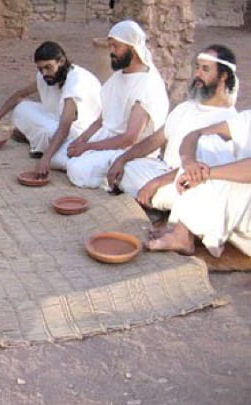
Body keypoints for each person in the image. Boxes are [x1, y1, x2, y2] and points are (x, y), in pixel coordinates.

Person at [108, 45, 239, 207]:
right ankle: (151, 199)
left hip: (190, 180)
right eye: (196, 68)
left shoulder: (227, 120)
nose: (197, 74)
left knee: (193, 194)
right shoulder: (185, 108)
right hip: (162, 170)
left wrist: (156, 183)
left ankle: (156, 202)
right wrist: (122, 159)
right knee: (123, 165)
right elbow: (154, 141)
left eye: (205, 69)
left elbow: (205, 168)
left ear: (223, 76)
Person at [65, 20, 169, 190]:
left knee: (77, 168)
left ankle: (114, 179)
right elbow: (101, 120)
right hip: (106, 140)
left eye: (116, 46)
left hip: (129, 151)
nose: (111, 52)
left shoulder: (147, 85)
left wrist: (88, 147)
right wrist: (80, 140)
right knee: (65, 153)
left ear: (132, 48)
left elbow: (130, 138)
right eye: (110, 46)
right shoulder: (119, 77)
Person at [0, 41, 102, 177]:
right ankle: (40, 142)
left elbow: (65, 125)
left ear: (61, 61)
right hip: (56, 120)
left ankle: (41, 146)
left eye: (48, 67)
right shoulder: (47, 76)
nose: (44, 73)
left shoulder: (76, 81)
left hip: (81, 132)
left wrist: (45, 158)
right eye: (40, 69)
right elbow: (20, 95)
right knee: (22, 108)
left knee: (53, 146)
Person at [146, 111, 251, 257]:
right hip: (236, 208)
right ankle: (184, 231)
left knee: (217, 177)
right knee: (208, 142)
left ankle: (182, 232)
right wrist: (189, 163)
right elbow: (195, 134)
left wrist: (205, 174)